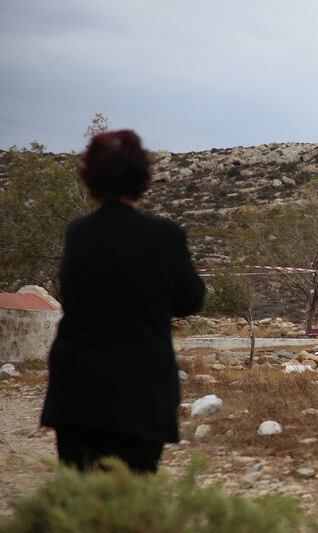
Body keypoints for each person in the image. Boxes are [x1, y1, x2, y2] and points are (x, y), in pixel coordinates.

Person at [41, 130, 206, 474]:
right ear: (143, 179)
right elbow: (191, 300)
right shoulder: (165, 236)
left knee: (79, 502)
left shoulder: (78, 234)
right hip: (141, 388)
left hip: (77, 387)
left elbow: (73, 294)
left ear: (90, 178)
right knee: (131, 502)